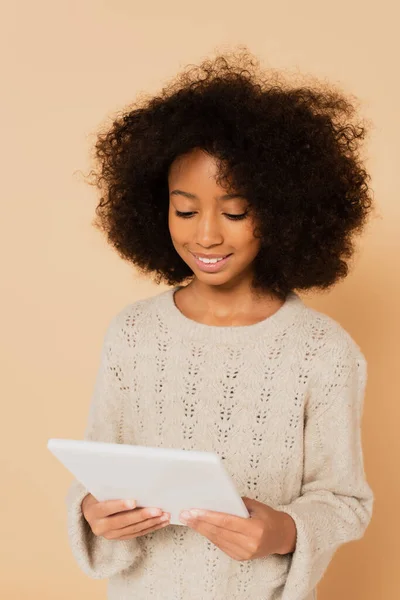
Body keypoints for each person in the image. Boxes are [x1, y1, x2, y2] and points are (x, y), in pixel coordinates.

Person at [65, 47, 375, 600]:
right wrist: (93, 512)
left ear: (283, 212)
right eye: (185, 210)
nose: (206, 235)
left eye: (234, 212)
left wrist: (282, 529)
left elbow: (345, 503)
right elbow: (96, 472)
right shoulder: (133, 333)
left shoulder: (323, 350)